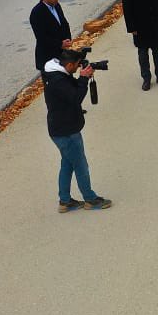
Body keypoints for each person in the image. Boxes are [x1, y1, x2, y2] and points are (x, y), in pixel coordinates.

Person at [42, 48, 110, 211]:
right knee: (80, 165)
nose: (79, 67)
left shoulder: (55, 74)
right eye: (77, 65)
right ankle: (90, 199)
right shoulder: (59, 81)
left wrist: (82, 77)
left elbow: (70, 89)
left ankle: (65, 201)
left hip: (60, 129)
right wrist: (84, 79)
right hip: (67, 132)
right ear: (69, 65)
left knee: (67, 164)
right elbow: (75, 98)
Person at [28, 0, 72, 72]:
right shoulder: (37, 12)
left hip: (62, 55)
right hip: (48, 58)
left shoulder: (57, 6)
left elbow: (64, 24)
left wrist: (68, 39)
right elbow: (41, 37)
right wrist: (60, 44)